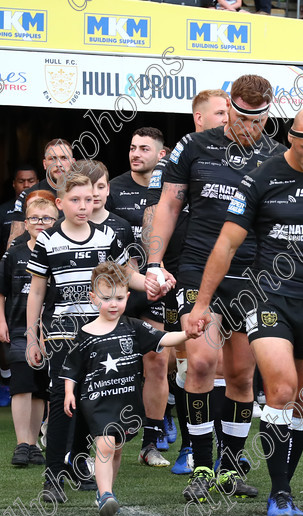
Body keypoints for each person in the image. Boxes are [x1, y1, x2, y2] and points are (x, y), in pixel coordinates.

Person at [186, 107, 303, 516]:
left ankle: (281, 485)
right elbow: (225, 245)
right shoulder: (262, 178)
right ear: (291, 137)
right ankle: (281, 493)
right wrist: (202, 303)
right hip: (267, 298)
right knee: (282, 390)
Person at [146, 75, 287, 503]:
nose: (251, 127)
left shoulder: (278, 155)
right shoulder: (194, 145)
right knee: (203, 362)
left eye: (261, 119)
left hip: (252, 275)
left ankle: (231, 467)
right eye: (243, 117)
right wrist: (154, 260)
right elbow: (168, 205)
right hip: (196, 269)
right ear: (229, 106)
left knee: (243, 374)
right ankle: (201, 465)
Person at [26, 173, 169, 503]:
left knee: (89, 402)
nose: (83, 206)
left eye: (89, 199)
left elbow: (124, 275)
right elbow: (36, 292)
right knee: (63, 403)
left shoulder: (108, 235)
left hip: (101, 333)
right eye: (75, 200)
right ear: (60, 203)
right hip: (63, 333)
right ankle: (52, 478)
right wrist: (33, 337)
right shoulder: (47, 240)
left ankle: (78, 463)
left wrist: (149, 282)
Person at [62, 262, 198, 516]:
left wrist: (186, 334)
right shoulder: (86, 333)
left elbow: (162, 338)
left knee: (116, 448)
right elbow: (71, 368)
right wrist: (69, 392)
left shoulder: (133, 326)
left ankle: (106, 491)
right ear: (93, 299)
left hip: (126, 401)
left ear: (127, 296)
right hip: (97, 401)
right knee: (104, 445)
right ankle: (105, 495)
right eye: (106, 298)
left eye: (119, 298)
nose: (113, 304)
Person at [143, 88, 231, 476]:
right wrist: (156, 263)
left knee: (224, 364)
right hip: (182, 269)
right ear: (199, 118)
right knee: (191, 361)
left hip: (230, 270)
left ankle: (224, 451)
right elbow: (156, 212)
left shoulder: (242, 156)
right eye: (220, 113)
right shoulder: (184, 154)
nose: (228, 119)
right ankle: (190, 448)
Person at [109, 128, 177, 465]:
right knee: (113, 361)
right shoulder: (112, 188)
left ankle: (150, 443)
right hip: (119, 286)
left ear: (161, 155)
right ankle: (103, 437)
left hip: (156, 285)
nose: (136, 154)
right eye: (133, 148)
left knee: (158, 360)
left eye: (144, 149)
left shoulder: (173, 189)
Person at [0, 196, 58, 467]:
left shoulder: (59, 251)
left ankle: (33, 444)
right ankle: (21, 444)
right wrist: (1, 322)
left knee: (41, 389)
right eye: (34, 218)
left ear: (56, 222)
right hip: (20, 329)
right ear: (25, 223)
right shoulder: (15, 252)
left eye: (47, 219)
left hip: (52, 331)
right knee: (21, 382)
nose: (40, 223)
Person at [7, 139, 74, 244]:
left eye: (64, 158)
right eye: (52, 159)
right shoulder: (28, 195)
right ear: (44, 164)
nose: (58, 164)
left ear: (73, 162)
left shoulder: (84, 193)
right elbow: (14, 241)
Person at [0, 165, 38, 267]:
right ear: (14, 184)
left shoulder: (51, 210)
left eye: (31, 181)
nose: (26, 185)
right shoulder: (0, 212)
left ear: (38, 182)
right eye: (21, 181)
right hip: (10, 269)